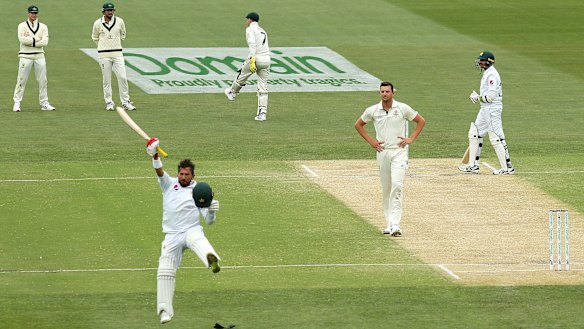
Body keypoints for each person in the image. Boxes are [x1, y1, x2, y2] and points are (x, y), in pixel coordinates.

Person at [146, 138, 221, 324]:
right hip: (171, 235)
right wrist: (154, 154)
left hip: (190, 230)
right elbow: (159, 171)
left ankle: (212, 260)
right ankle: (165, 311)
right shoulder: (169, 184)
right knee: (164, 270)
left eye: (186, 174)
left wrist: (211, 211)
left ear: (193, 176)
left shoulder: (199, 191)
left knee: (198, 240)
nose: (182, 177)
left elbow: (209, 221)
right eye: (180, 173)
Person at [355, 81, 426, 236]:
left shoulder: (402, 108)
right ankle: (389, 223)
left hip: (399, 152)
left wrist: (411, 138)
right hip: (382, 152)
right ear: (379, 93)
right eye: (382, 92)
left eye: (387, 91)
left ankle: (395, 223)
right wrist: (371, 141)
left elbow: (421, 121)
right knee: (387, 188)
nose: (385, 94)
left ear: (393, 93)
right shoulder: (373, 110)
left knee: (397, 185)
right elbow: (358, 125)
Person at [459, 51, 515, 175]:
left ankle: (507, 168)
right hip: (485, 109)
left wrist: (477, 97)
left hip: (492, 109)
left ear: (489, 62)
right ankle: (473, 165)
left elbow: (490, 97)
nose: (480, 62)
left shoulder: (492, 76)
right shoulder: (487, 73)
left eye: (482, 60)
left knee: (496, 137)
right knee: (475, 133)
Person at [224, 12, 271, 121]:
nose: (246, 21)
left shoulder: (250, 29)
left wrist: (252, 59)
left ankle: (232, 92)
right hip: (266, 60)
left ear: (250, 20)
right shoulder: (262, 30)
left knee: (242, 75)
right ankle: (262, 113)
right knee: (263, 87)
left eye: (247, 19)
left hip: (256, 58)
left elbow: (252, 45)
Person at [91, 2, 136, 111]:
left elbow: (123, 35)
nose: (110, 12)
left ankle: (125, 102)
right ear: (103, 11)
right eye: (108, 10)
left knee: (123, 78)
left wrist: (115, 44)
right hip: (104, 55)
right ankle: (109, 103)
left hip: (117, 54)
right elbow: (94, 37)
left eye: (111, 10)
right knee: (106, 80)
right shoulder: (97, 23)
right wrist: (103, 47)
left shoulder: (120, 21)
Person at [13, 5, 55, 112]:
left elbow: (45, 42)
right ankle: (17, 103)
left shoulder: (43, 27)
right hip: (25, 56)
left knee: (43, 81)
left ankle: (44, 103)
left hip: (39, 56)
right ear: (28, 13)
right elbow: (22, 40)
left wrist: (31, 40)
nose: (34, 15)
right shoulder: (22, 26)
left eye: (35, 13)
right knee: (21, 80)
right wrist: (37, 40)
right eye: (32, 13)